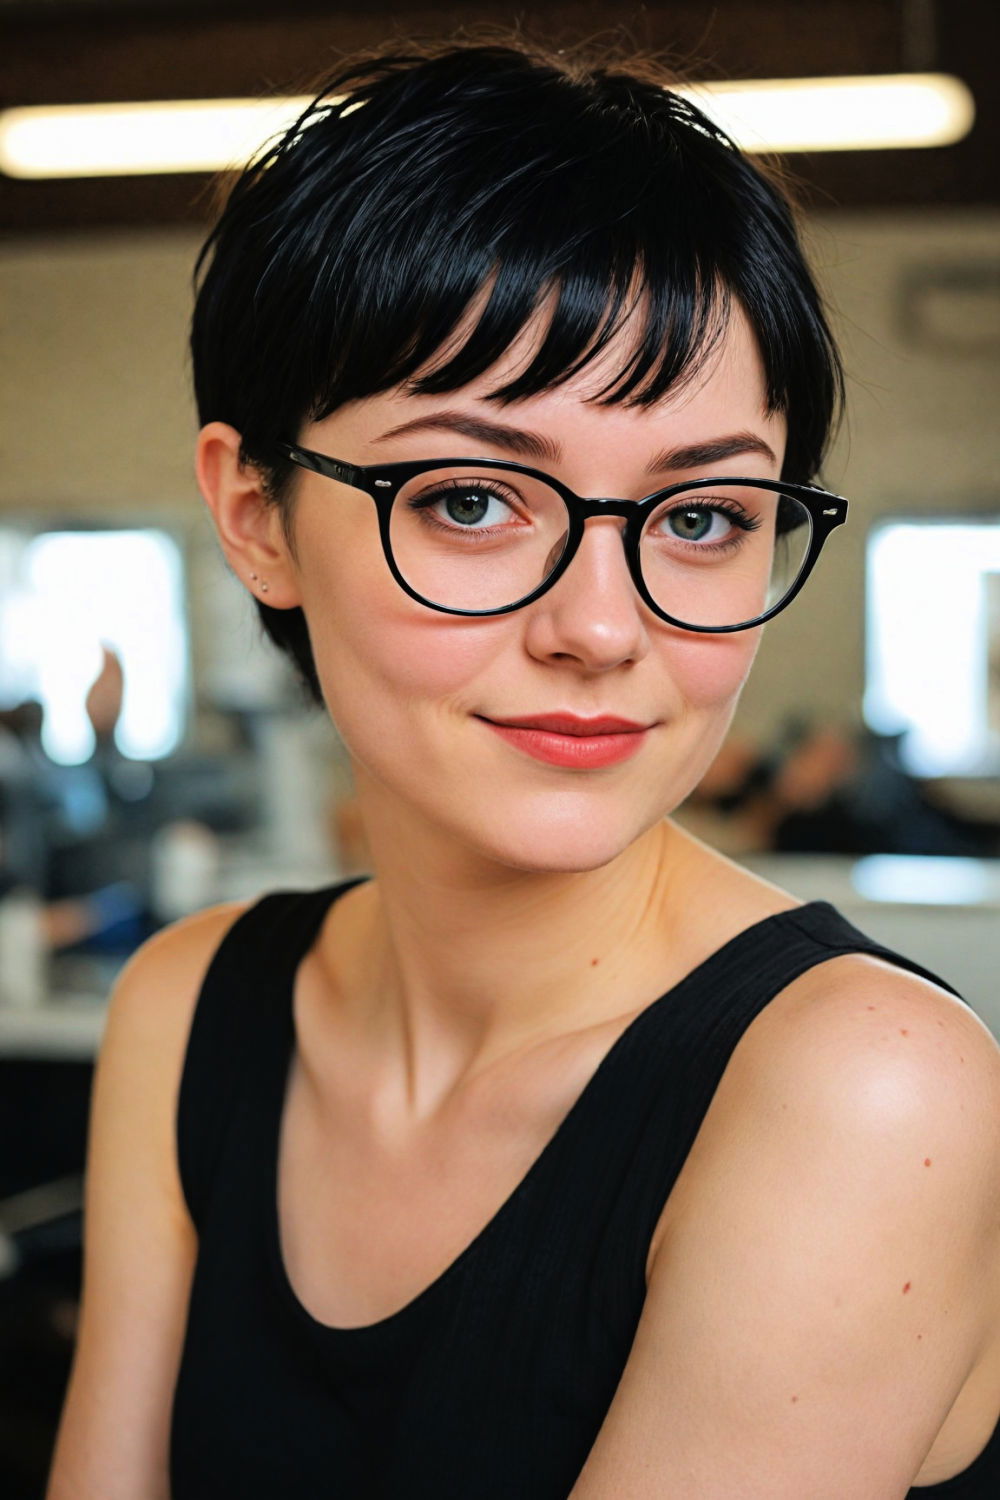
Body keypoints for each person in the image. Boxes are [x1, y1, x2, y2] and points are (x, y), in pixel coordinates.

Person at [45, 31, 1000, 1500]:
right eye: (475, 497)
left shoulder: (862, 1089)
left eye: (701, 519)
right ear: (255, 513)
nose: (602, 628)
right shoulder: (193, 1010)